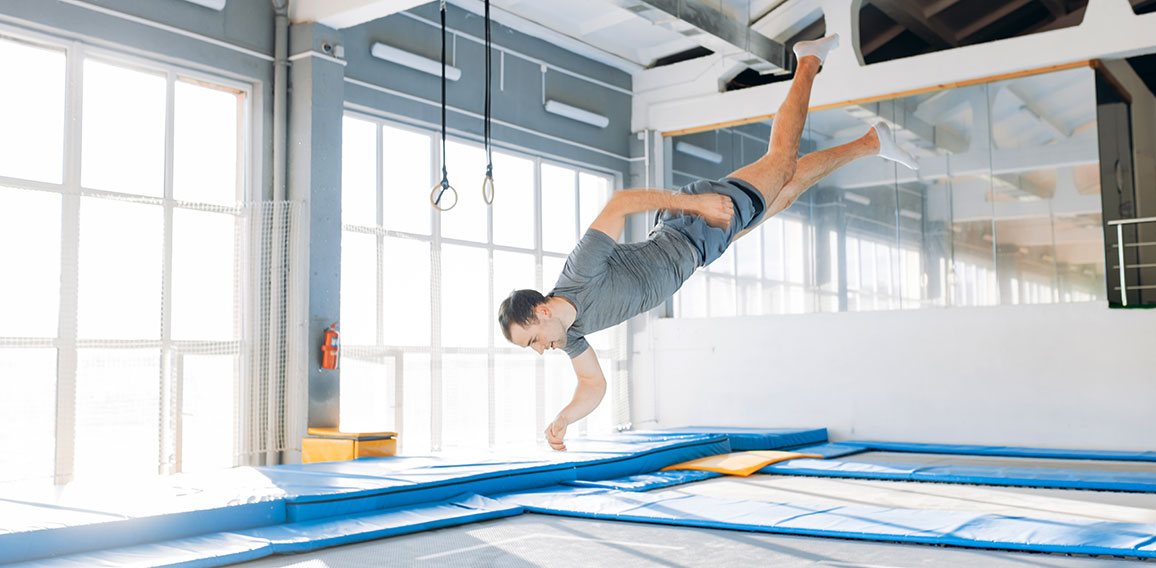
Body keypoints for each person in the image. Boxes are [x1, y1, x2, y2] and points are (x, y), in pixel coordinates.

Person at [498, 34, 917, 451]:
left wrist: (695, 203)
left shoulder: (579, 272)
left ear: (541, 309)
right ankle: (872, 142)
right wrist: (563, 419)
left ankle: (808, 61)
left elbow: (622, 202)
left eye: (533, 339)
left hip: (692, 225)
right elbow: (593, 383)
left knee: (781, 162)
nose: (540, 351)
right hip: (700, 246)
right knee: (785, 191)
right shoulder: (571, 334)